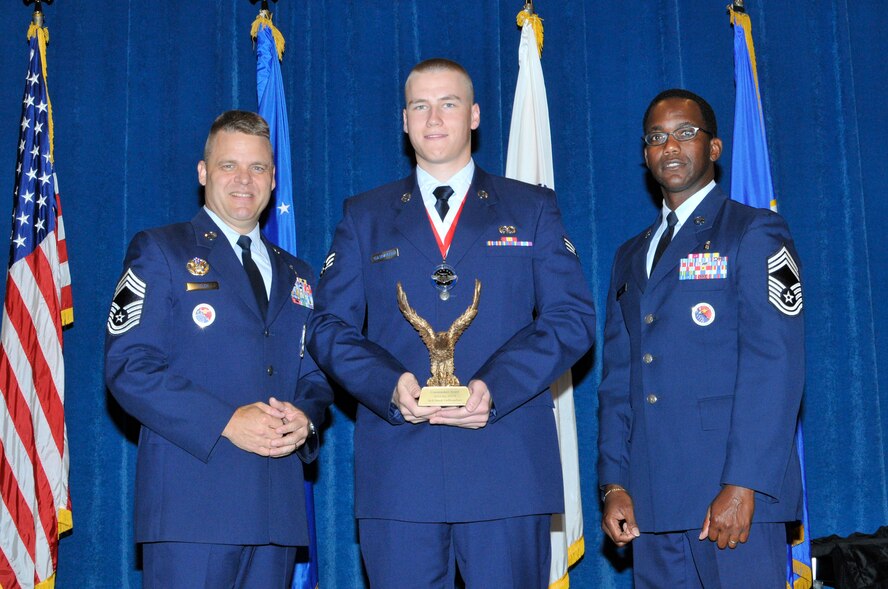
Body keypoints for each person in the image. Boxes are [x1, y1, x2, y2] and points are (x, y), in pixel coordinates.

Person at [307, 58, 596, 588]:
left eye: (449, 103)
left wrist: (495, 386)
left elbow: (572, 318)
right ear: (404, 119)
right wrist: (388, 385)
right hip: (401, 475)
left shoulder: (530, 208)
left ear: (475, 115)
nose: (433, 118)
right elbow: (327, 327)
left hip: (506, 466)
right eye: (420, 105)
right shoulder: (363, 216)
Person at [104, 110, 332, 589]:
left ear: (273, 179)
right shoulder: (159, 251)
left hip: (275, 513)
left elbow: (314, 375)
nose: (244, 180)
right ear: (203, 172)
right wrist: (227, 421)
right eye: (229, 165)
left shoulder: (300, 274)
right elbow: (129, 368)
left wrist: (306, 418)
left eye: (258, 168)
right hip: (192, 509)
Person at [597, 89, 805, 588]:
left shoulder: (754, 232)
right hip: (652, 502)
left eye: (686, 133)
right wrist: (614, 483)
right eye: (656, 137)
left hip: (732, 499)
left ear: (714, 148)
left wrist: (744, 483)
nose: (670, 146)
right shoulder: (630, 254)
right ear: (645, 155)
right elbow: (618, 378)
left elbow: (775, 364)